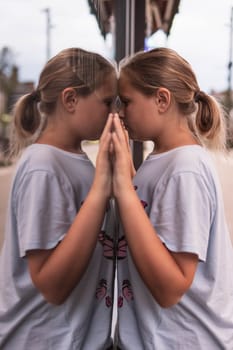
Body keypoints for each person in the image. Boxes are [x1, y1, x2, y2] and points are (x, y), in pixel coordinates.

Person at [109, 47, 233, 349]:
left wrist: (124, 188)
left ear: (162, 100)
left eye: (127, 101)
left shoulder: (185, 169)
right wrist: (130, 175)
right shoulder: (166, 161)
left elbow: (171, 287)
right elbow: (155, 226)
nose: (121, 112)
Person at [0, 47, 118, 349]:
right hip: (40, 341)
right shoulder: (44, 167)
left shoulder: (70, 160)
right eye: (106, 101)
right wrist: (102, 185)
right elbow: (51, 285)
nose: (114, 112)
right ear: (70, 99)